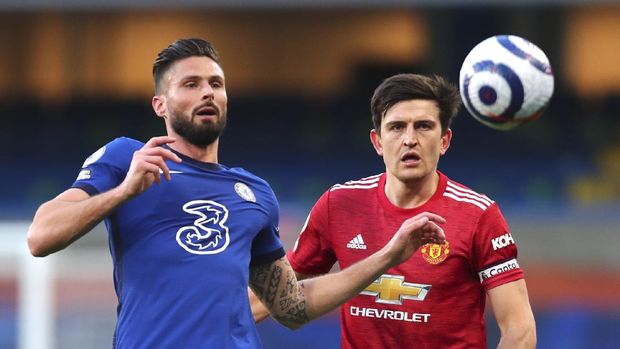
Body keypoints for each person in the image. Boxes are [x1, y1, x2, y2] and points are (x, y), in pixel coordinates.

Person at [26, 39, 447, 349]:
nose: (207, 92)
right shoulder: (128, 158)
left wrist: (391, 253)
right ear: (160, 105)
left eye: (215, 83)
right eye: (190, 84)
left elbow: (292, 306)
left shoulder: (253, 194)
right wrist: (123, 191)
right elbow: (41, 236)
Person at [250, 73, 537, 348]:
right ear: (377, 141)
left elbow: (519, 330)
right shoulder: (338, 204)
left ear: (444, 141)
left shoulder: (478, 215)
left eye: (423, 126)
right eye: (397, 127)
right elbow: (273, 298)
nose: (409, 139)